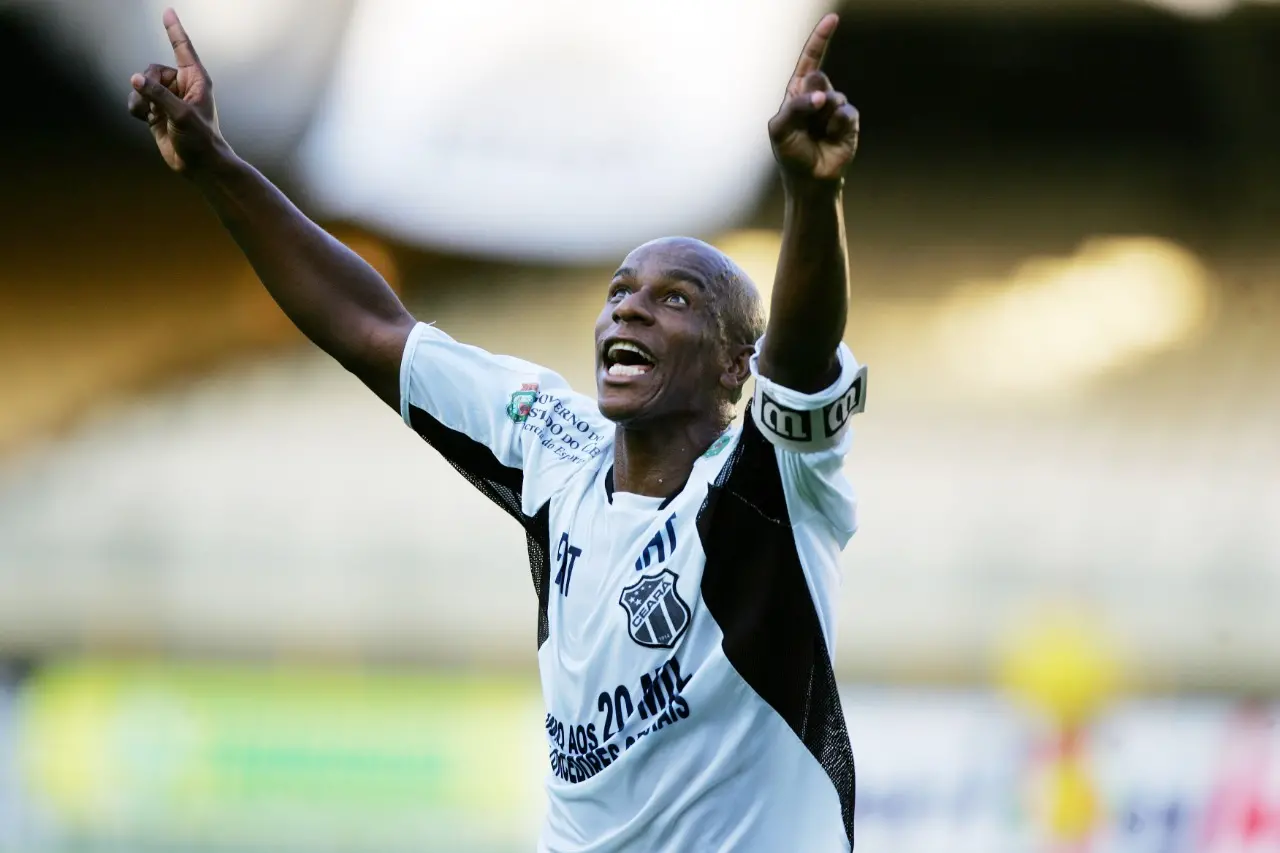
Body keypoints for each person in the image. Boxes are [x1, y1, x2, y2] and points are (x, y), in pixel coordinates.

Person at [128, 8, 867, 851]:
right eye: (619, 291)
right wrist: (216, 165)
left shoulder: (768, 489)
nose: (629, 308)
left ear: (736, 364)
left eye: (675, 299)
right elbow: (372, 327)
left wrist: (813, 193)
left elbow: (800, 359)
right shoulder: (555, 446)